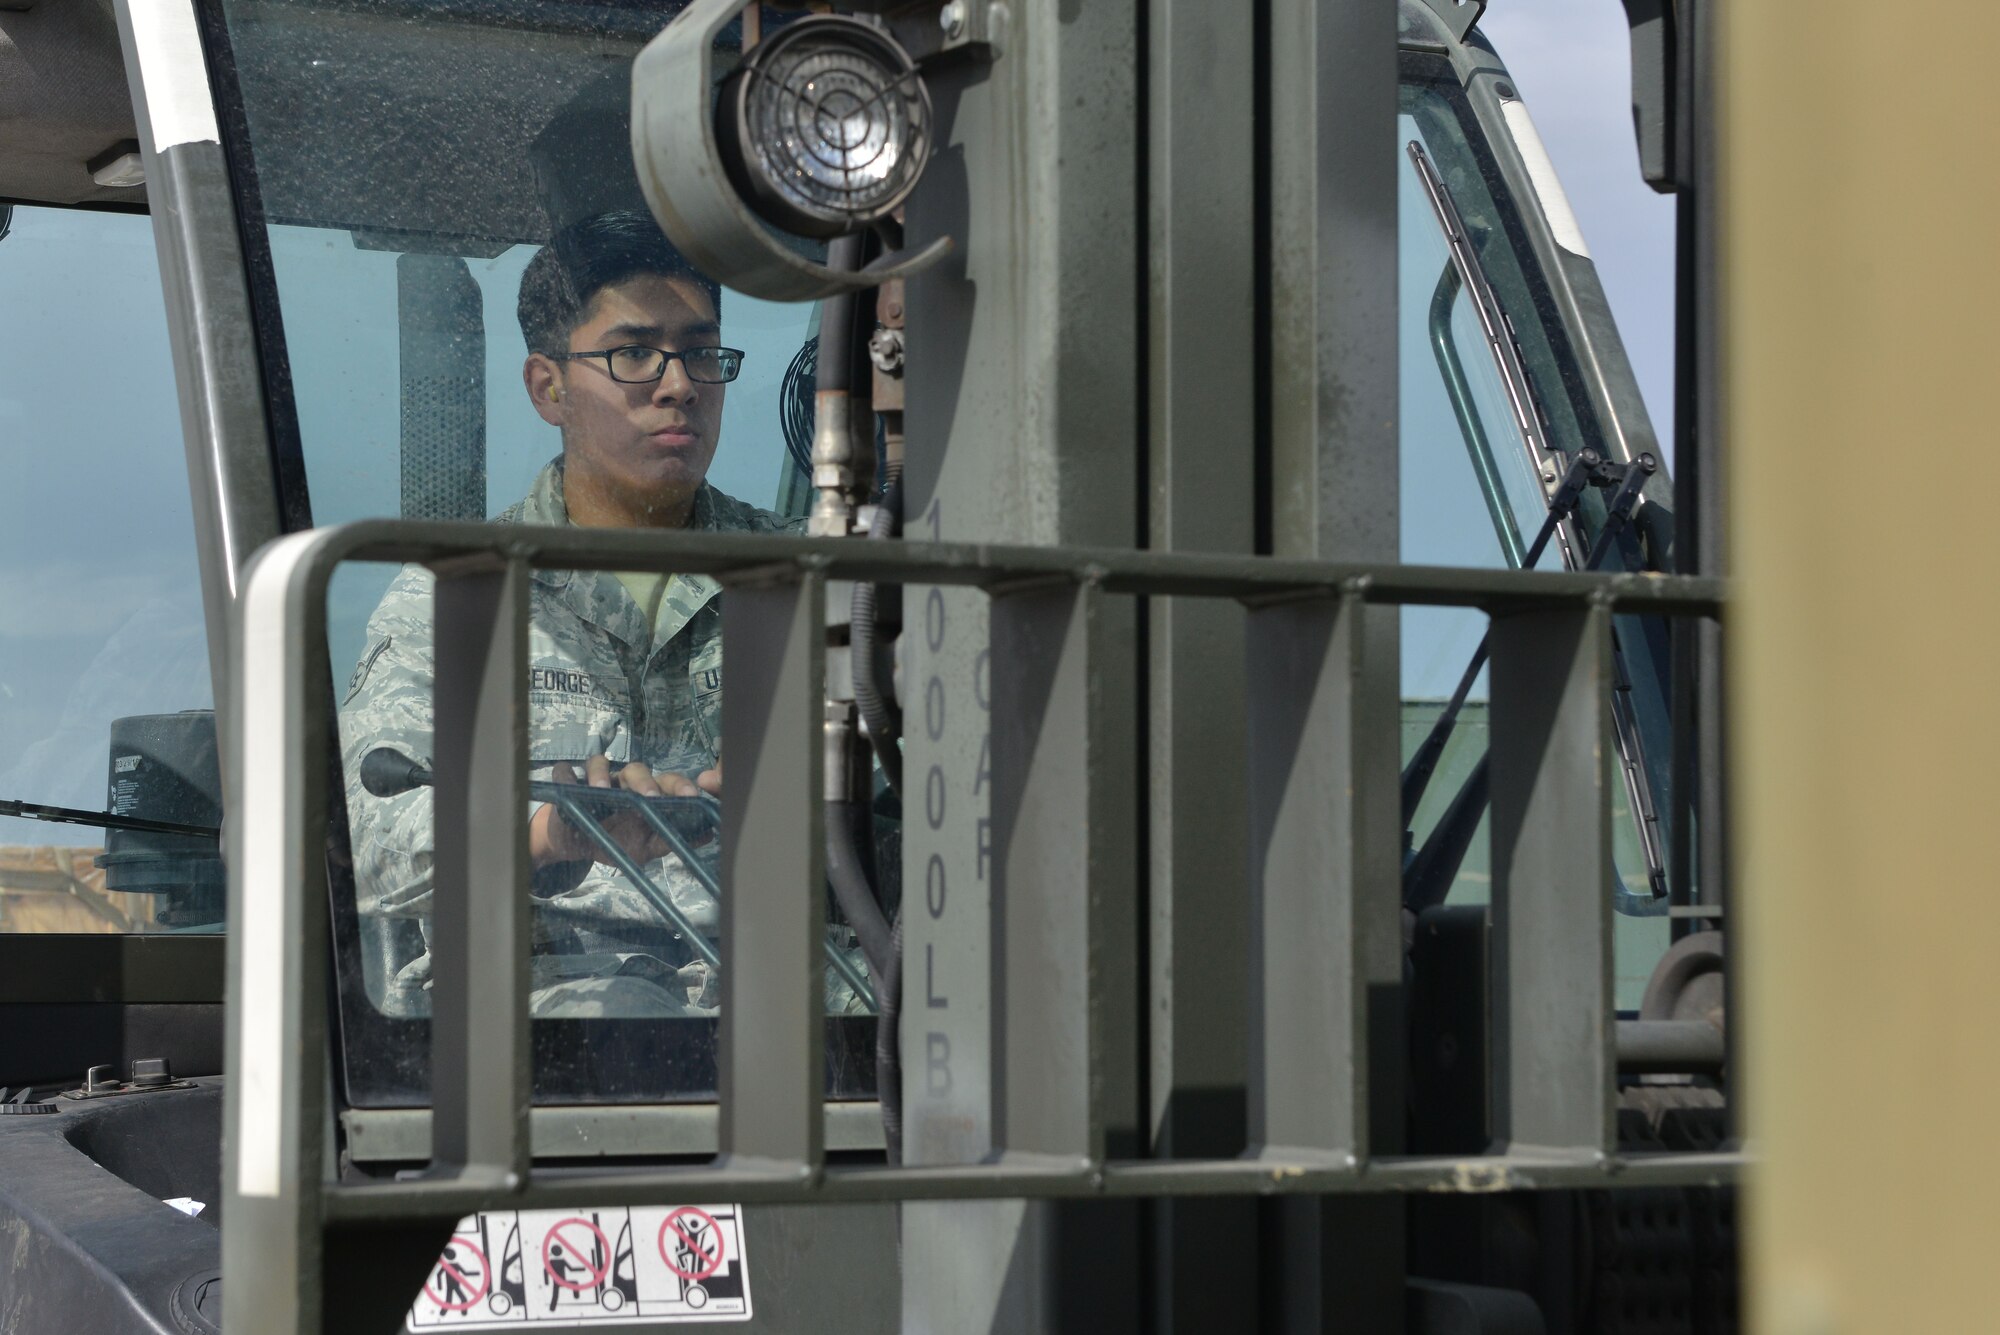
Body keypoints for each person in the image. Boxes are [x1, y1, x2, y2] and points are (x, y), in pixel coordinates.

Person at [339, 210, 804, 1019]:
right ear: (548, 387)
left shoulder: (807, 579)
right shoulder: (460, 595)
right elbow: (365, 839)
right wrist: (551, 835)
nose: (680, 384)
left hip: (801, 1009)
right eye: (634, 353)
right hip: (541, 1033)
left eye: (700, 351)